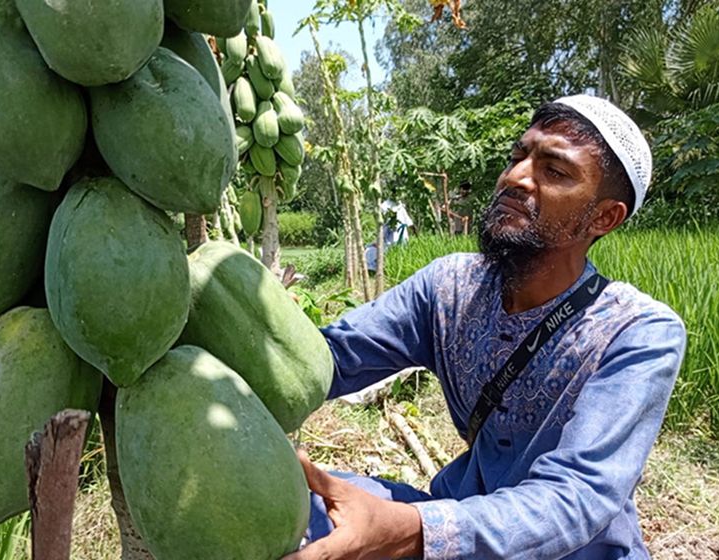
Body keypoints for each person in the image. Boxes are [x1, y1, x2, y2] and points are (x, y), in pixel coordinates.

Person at [285, 95, 687, 560]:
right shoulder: (449, 286)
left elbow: (576, 498)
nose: (516, 178)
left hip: (573, 552)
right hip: (461, 517)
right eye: (519, 157)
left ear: (604, 217)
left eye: (554, 171)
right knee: (298, 504)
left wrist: (414, 531)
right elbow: (328, 361)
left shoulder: (637, 332)